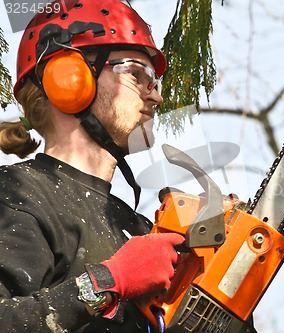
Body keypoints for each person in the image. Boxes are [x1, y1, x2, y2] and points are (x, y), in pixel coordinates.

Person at [0, 0, 185, 332]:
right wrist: (105, 282)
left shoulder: (138, 228)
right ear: (68, 79)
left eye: (154, 81)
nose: (155, 97)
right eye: (135, 74)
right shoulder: (17, 194)